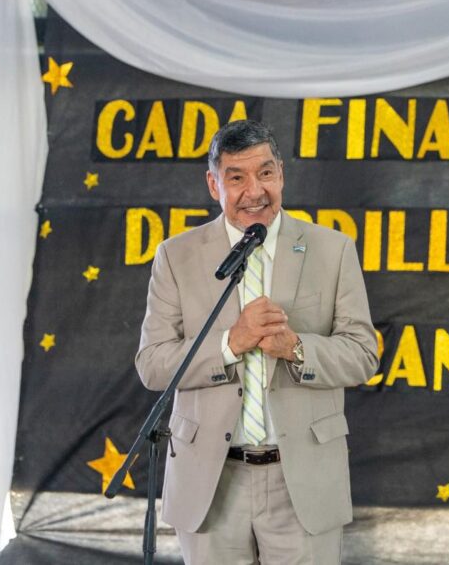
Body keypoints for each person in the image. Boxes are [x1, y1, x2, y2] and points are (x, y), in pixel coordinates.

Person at [136, 119, 378, 564]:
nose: (255, 191)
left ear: (281, 174)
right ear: (214, 184)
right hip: (211, 482)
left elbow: (363, 354)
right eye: (236, 178)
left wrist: (296, 348)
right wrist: (231, 343)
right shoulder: (176, 255)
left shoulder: (332, 249)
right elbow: (153, 365)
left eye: (265, 173)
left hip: (301, 479)